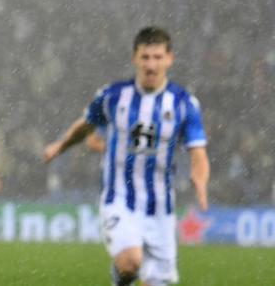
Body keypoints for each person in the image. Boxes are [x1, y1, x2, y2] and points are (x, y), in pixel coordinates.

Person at [43, 26, 209, 286]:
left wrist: (199, 180)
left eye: (157, 57)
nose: (151, 65)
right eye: (145, 57)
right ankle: (122, 274)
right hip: (119, 197)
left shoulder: (184, 104)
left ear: (169, 59)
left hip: (161, 207)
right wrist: (60, 146)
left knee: (157, 281)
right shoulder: (113, 96)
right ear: (134, 58)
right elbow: (85, 127)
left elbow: (197, 151)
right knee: (131, 262)